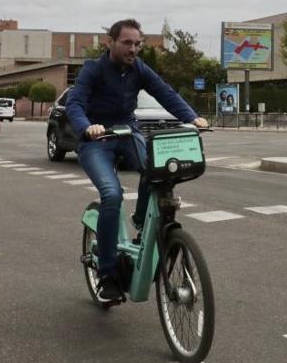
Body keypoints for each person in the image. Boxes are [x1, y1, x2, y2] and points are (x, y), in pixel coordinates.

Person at [67, 19, 208, 304]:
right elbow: (75, 103)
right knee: (111, 194)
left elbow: (165, 92)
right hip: (97, 139)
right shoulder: (93, 69)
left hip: (127, 131)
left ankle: (142, 222)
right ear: (110, 42)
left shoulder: (139, 69)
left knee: (157, 171)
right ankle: (107, 276)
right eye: (127, 43)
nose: (134, 49)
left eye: (138, 44)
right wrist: (87, 127)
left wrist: (191, 117)